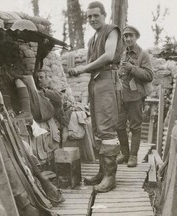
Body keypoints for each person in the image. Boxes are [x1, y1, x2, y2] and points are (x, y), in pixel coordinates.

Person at [68, 1, 123, 193]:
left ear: (104, 15)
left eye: (96, 16)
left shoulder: (111, 31)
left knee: (107, 127)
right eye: (89, 16)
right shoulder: (93, 39)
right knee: (98, 128)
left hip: (107, 80)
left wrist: (83, 68)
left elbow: (108, 56)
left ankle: (110, 176)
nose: (92, 19)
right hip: (96, 82)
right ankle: (102, 171)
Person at [116, 25, 153, 167]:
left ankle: (133, 156)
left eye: (130, 35)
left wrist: (132, 68)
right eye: (125, 36)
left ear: (136, 37)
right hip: (121, 96)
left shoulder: (143, 54)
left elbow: (149, 75)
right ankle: (124, 153)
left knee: (135, 127)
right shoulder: (124, 54)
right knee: (119, 126)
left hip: (135, 96)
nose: (127, 38)